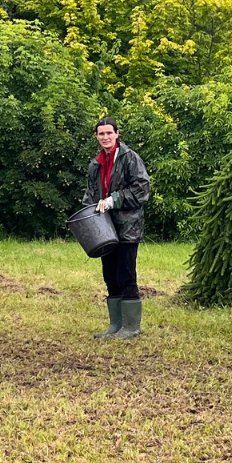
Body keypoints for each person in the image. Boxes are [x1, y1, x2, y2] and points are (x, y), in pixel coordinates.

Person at [79, 117, 151, 339]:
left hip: (128, 227)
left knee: (125, 274)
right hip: (103, 229)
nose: (105, 137)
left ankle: (131, 327)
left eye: (109, 133)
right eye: (101, 134)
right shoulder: (96, 164)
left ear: (117, 134)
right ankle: (115, 325)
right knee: (109, 274)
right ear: (96, 137)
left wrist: (113, 199)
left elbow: (142, 189)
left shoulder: (130, 158)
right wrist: (87, 212)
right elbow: (90, 193)